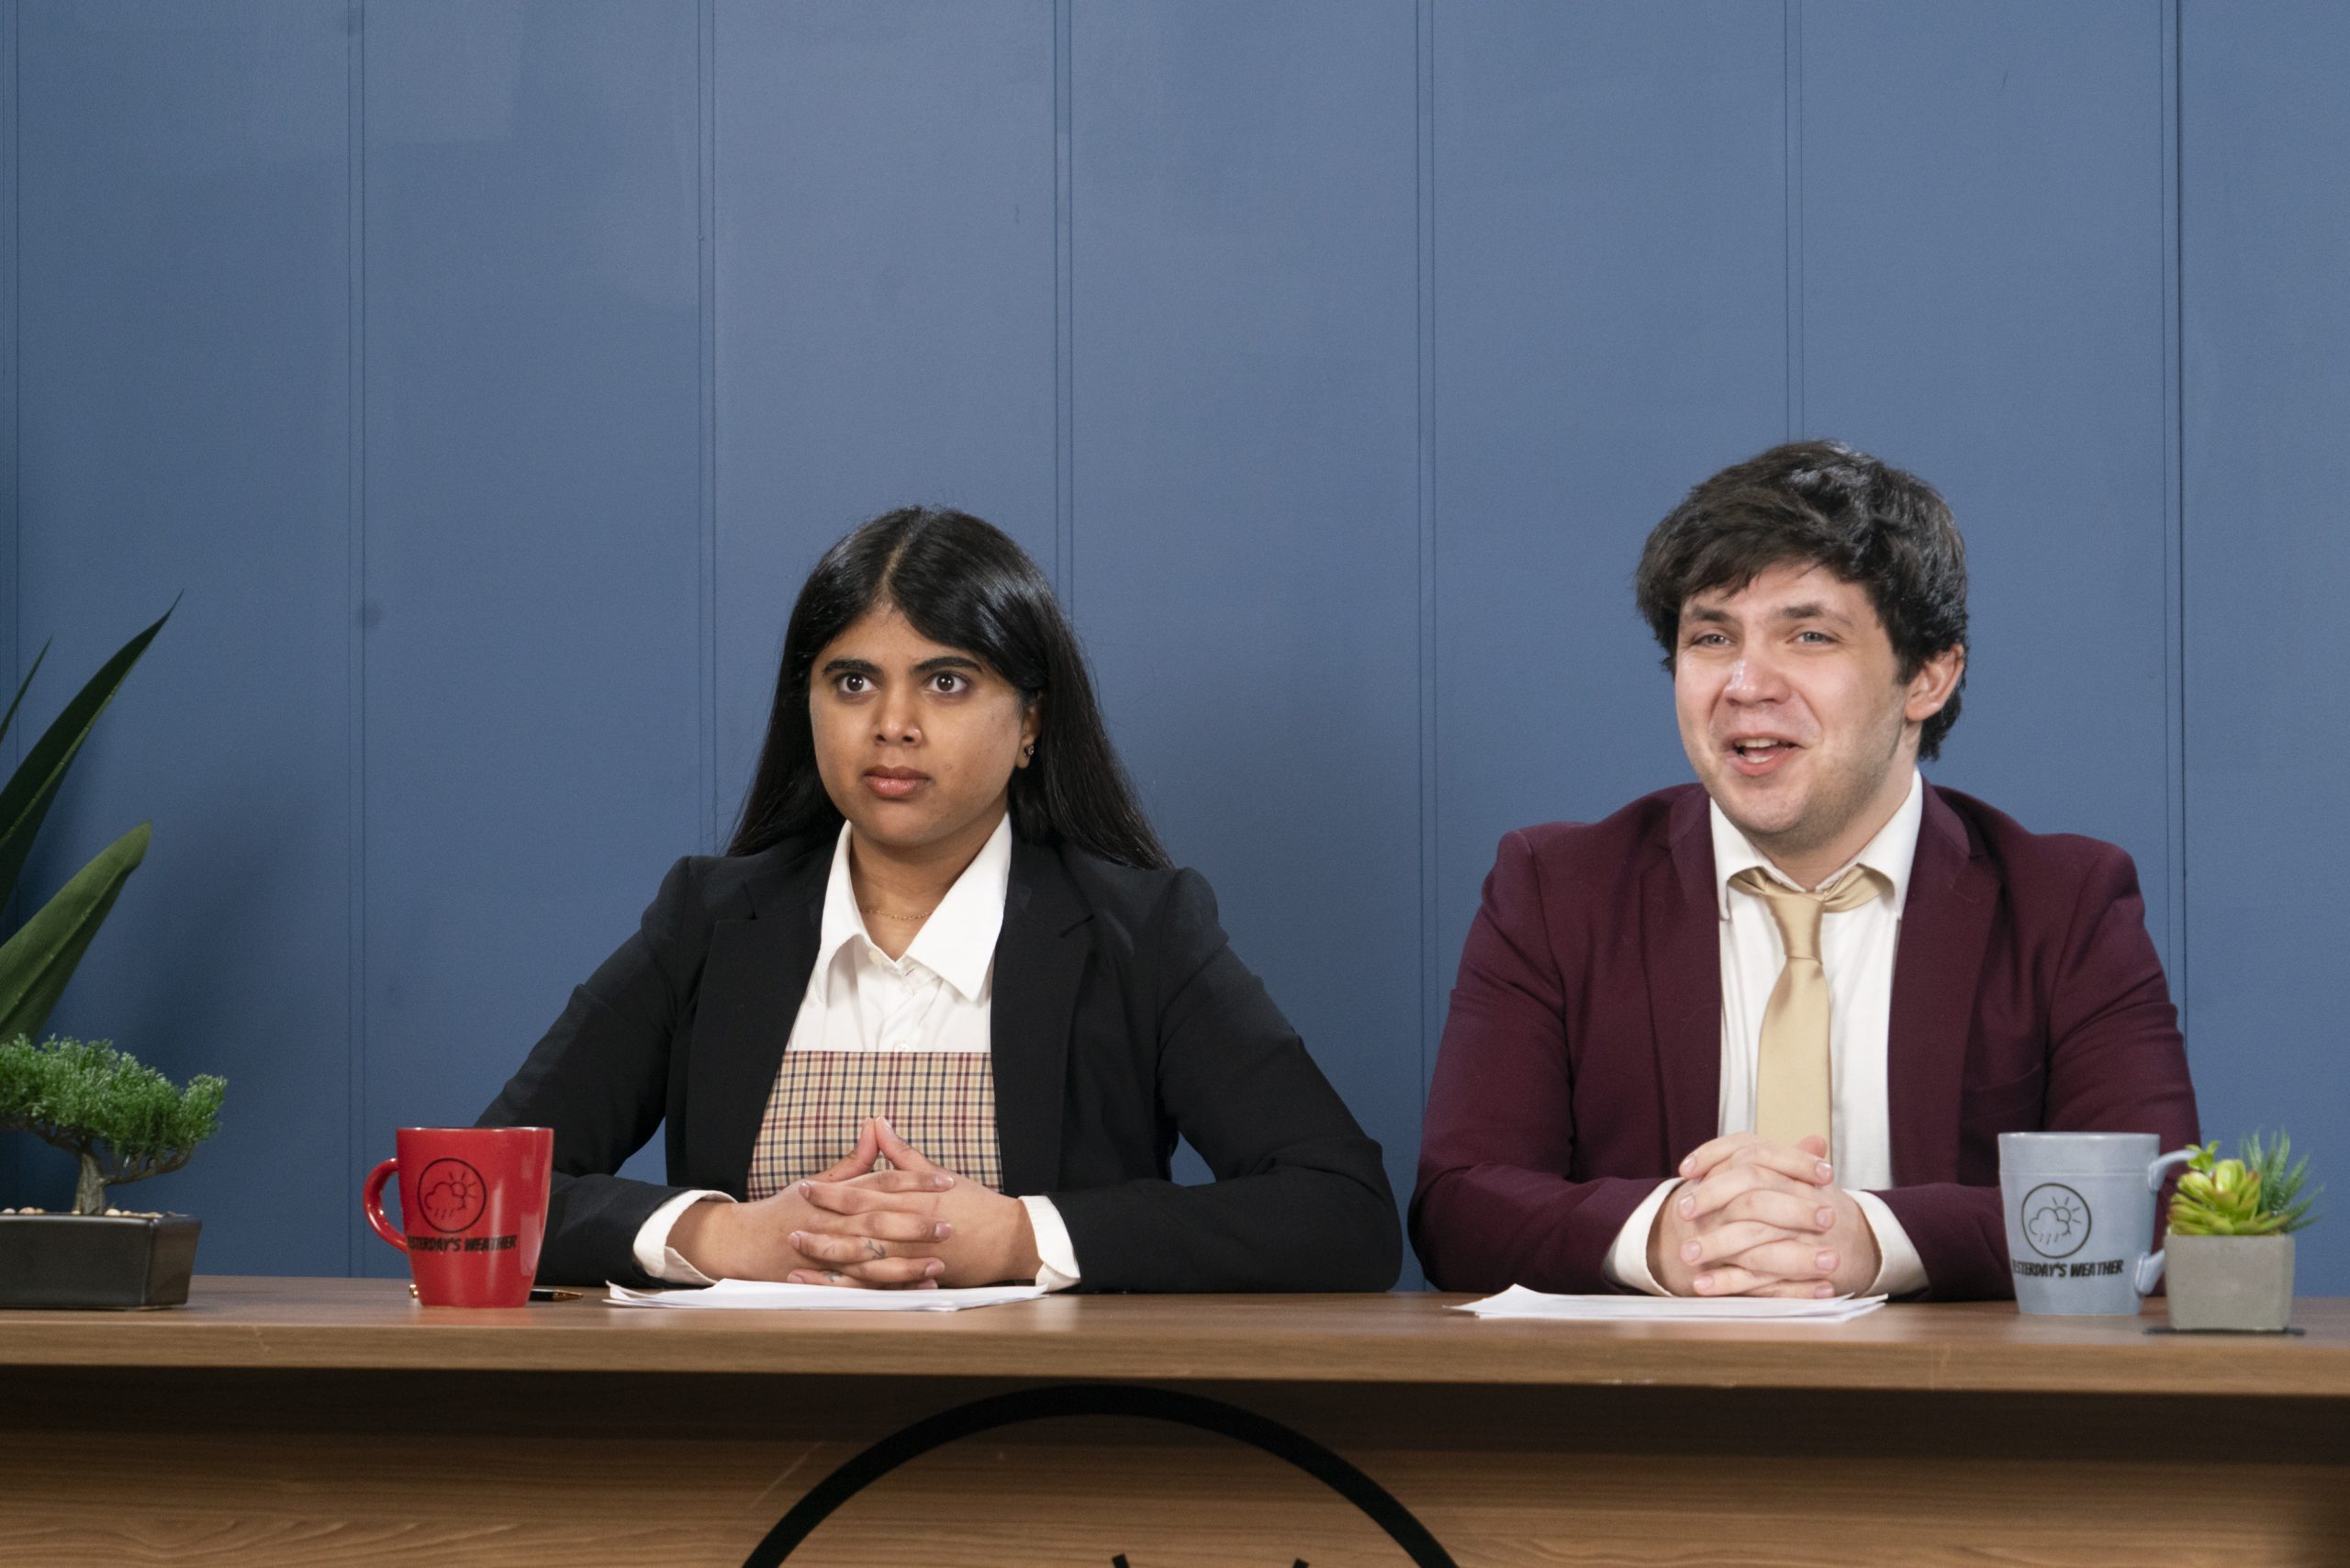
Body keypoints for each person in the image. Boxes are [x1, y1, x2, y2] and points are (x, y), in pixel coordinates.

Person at [483, 506, 1399, 1293]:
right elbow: (476, 1187)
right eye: (852, 682)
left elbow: (1343, 1211)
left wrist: (1018, 1237)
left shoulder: (1141, 933)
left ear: (1032, 722)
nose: (892, 725)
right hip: (744, 1434)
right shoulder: (708, 921)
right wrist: (718, 1237)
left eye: (947, 681)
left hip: (1047, 1446)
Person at [1411, 442, 2197, 1301]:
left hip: (1959, 1414)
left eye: (1809, 635)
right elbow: (1460, 1205)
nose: (1748, 684)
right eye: (1712, 636)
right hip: (1638, 1412)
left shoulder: (2064, 905)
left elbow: (2154, 1210)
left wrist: (1865, 1239)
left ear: (1929, 675)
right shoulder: (1556, 892)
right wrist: (1666, 1237)